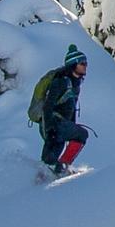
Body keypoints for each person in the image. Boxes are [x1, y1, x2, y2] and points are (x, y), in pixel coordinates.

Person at [40, 44, 91, 176]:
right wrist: (50, 128)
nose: (86, 66)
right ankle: (60, 169)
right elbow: (48, 105)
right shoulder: (60, 82)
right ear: (73, 64)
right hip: (54, 124)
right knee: (82, 134)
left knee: (49, 160)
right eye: (82, 63)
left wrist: (71, 125)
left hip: (60, 125)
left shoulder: (75, 84)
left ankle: (43, 178)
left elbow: (71, 108)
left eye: (86, 63)